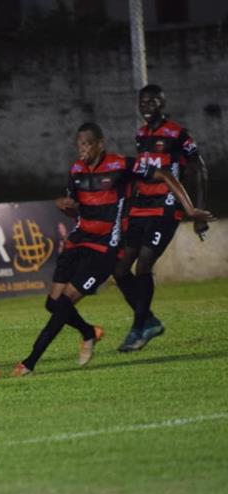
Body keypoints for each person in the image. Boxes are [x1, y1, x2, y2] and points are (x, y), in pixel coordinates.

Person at [12, 123, 212, 377]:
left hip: (104, 249)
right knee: (52, 304)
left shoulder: (121, 166)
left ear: (100, 144)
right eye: (79, 145)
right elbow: (75, 207)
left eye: (87, 144)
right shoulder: (76, 170)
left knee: (63, 303)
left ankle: (29, 362)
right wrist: (66, 206)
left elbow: (165, 175)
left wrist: (191, 209)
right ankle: (88, 332)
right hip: (77, 242)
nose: (82, 149)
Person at [114, 84, 211, 351]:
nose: (146, 106)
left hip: (166, 208)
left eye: (152, 101)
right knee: (119, 268)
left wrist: (197, 213)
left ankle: (137, 329)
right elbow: (138, 174)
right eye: (142, 102)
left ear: (162, 104)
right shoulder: (141, 135)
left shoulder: (179, 134)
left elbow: (199, 169)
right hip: (140, 208)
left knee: (143, 266)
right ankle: (149, 321)